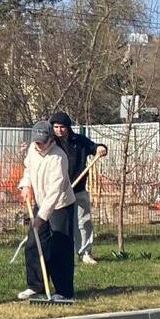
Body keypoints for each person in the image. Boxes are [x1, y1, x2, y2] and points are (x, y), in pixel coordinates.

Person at [17, 120, 77, 301]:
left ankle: (64, 291)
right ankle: (36, 285)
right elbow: (28, 168)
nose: (39, 145)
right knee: (34, 244)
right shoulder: (33, 150)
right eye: (36, 141)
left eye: (42, 141)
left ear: (51, 139)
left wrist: (41, 217)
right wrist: (26, 186)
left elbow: (55, 192)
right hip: (40, 202)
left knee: (61, 247)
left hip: (60, 205)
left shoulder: (58, 158)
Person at [49, 111, 108, 265]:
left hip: (78, 189)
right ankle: (57, 254)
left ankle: (85, 253)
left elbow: (95, 148)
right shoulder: (50, 143)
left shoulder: (79, 141)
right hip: (58, 191)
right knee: (58, 224)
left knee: (83, 221)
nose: (59, 130)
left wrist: (101, 148)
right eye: (56, 127)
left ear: (68, 127)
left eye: (62, 127)